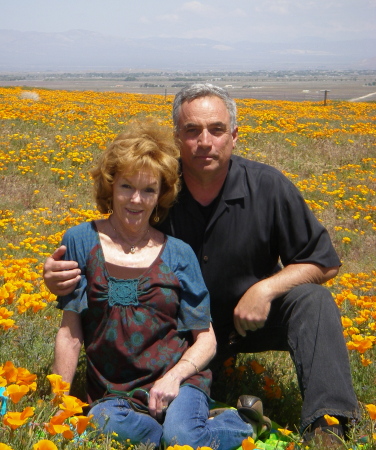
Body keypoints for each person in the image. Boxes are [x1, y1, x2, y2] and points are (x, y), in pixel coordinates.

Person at [44, 85, 360, 446]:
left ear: (235, 135)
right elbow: (113, 238)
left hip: (248, 320)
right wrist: (58, 275)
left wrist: (265, 288)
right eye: (192, 131)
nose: (205, 141)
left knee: (313, 302)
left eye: (217, 129)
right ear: (177, 138)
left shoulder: (268, 187)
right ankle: (214, 417)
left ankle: (328, 425)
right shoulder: (159, 186)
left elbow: (323, 262)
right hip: (177, 334)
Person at [51, 118, 266, 450]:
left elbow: (205, 339)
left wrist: (174, 377)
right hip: (113, 394)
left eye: (148, 189)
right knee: (100, 424)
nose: (136, 200)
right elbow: (70, 333)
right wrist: (58, 407)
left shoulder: (178, 254)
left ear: (161, 195)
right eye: (126, 187)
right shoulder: (80, 241)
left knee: (182, 438)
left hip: (179, 382)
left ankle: (239, 423)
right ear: (110, 187)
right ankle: (182, 434)